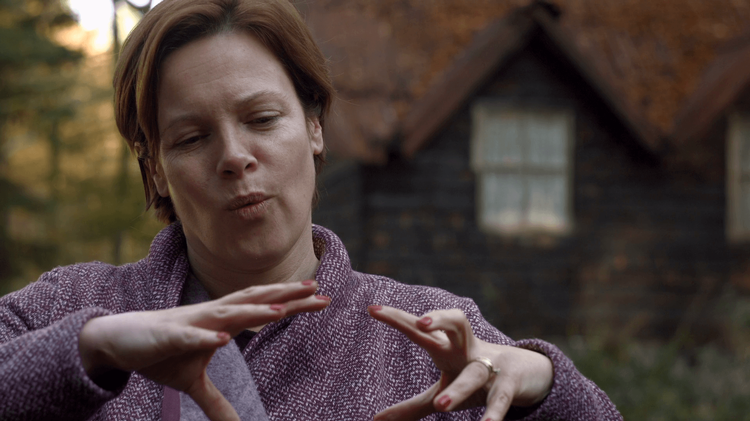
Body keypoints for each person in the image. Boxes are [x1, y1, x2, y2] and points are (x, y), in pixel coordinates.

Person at [0, 0, 622, 420]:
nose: (234, 157)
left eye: (262, 119)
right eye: (191, 138)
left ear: (314, 126)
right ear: (156, 168)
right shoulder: (71, 309)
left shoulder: (426, 341)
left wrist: (547, 387)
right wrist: (96, 349)